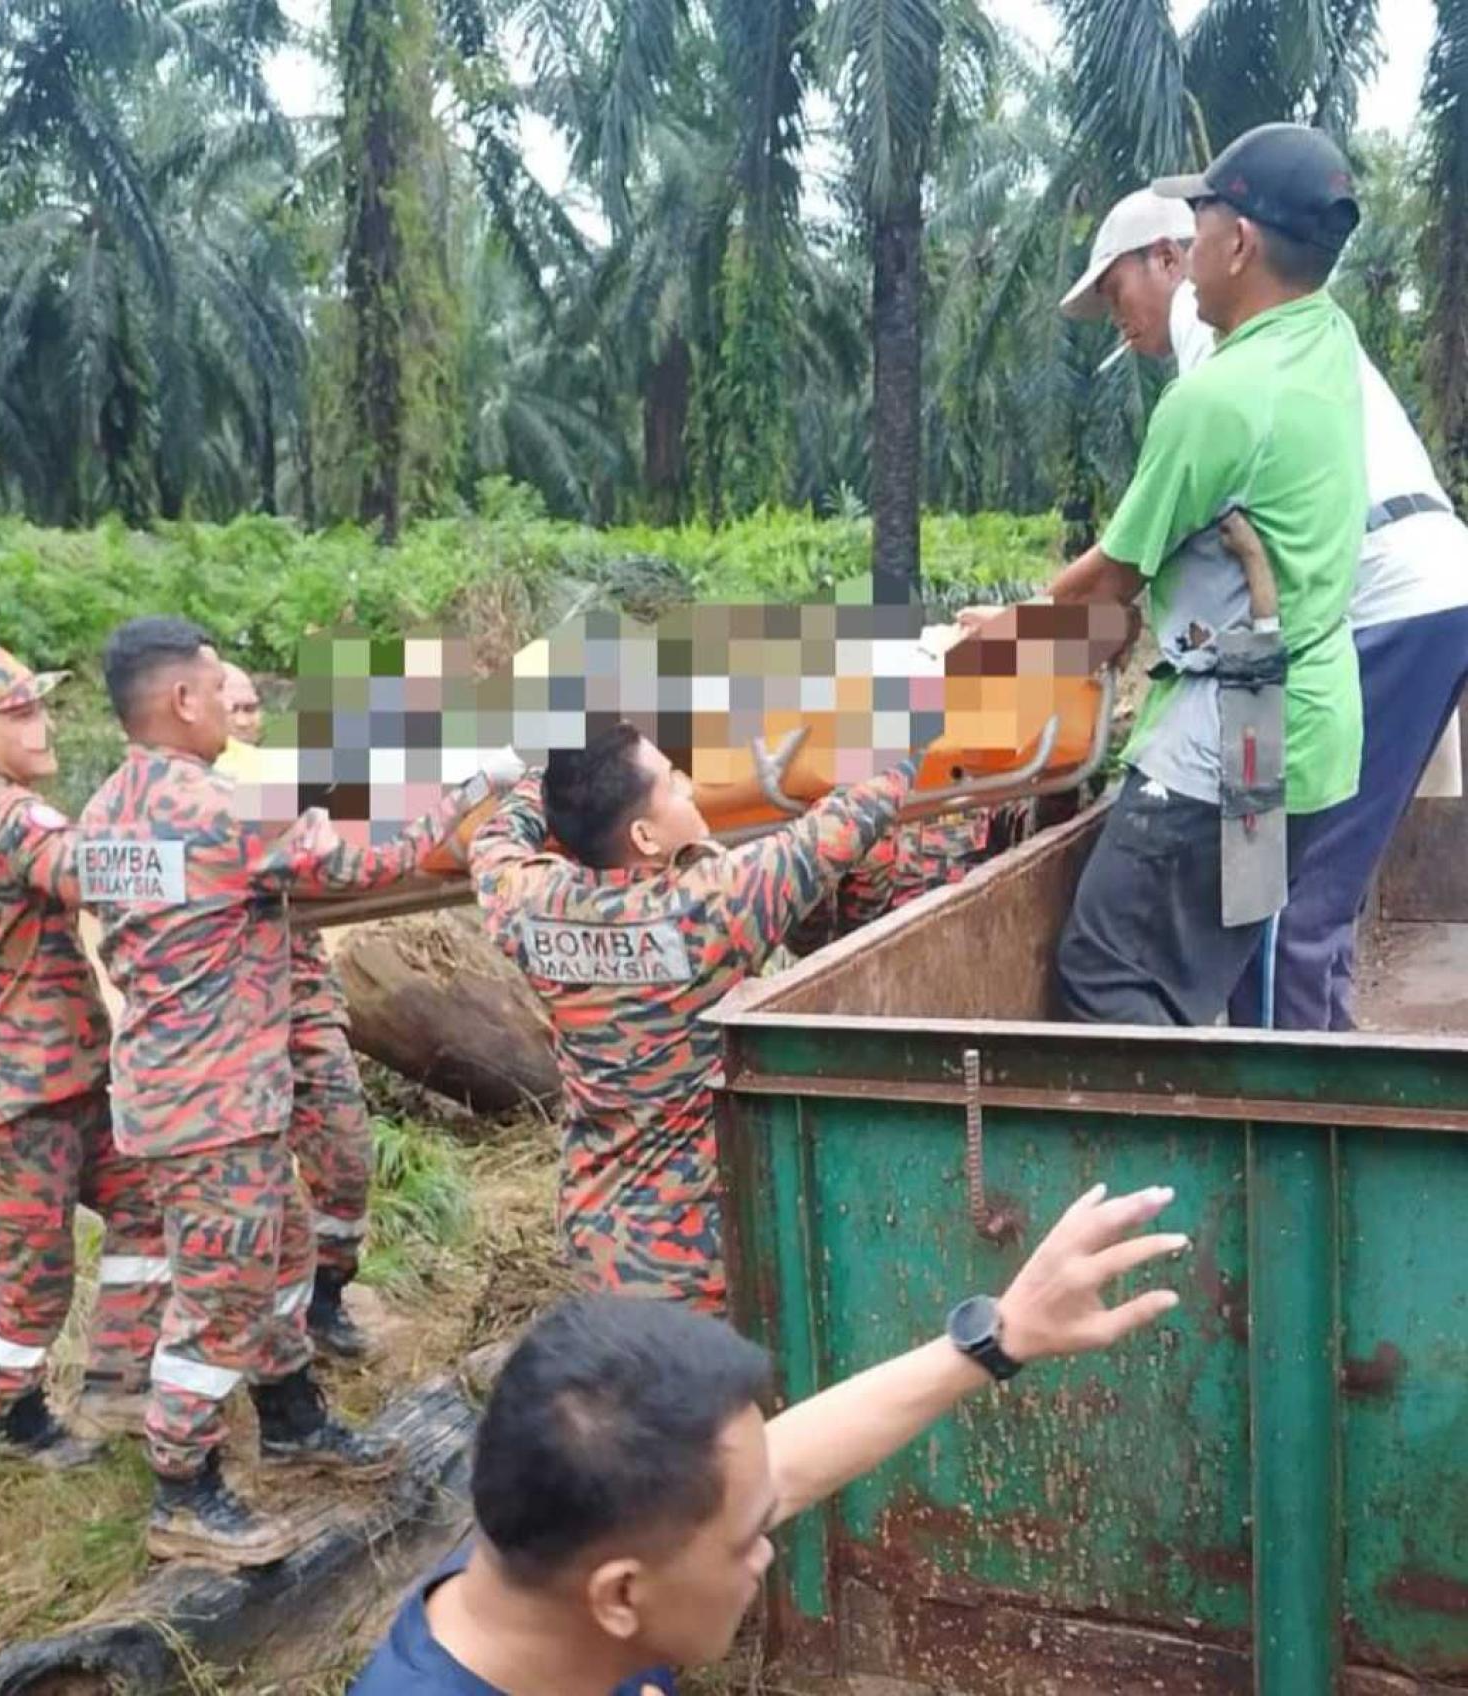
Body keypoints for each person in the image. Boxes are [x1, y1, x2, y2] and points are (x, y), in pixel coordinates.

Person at [349, 1180, 1187, 1695]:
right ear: (619, 1598)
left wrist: (1000, 1336)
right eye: (747, 1539)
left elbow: (780, 1465)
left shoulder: (530, 1575)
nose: (768, 1553)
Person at [79, 616, 521, 1567]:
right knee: (219, 1299)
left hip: (179, 1087)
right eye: (218, 693)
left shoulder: (109, 809)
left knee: (277, 1249)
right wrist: (477, 783)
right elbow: (371, 859)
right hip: (213, 1105)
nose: (236, 719)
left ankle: (292, 1420)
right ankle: (183, 1490)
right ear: (183, 701)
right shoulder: (214, 807)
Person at [985, 123, 1369, 1026]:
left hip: (1229, 744)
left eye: (1200, 225)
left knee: (1109, 973)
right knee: (1198, 969)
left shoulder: (1219, 400)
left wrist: (994, 639)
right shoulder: (1325, 340)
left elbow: (1112, 580)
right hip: (1293, 735)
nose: (1188, 249)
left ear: (1238, 244)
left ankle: (1169, 1171)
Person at [1062, 182, 1468, 1032]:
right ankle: (1313, 1093)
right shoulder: (1316, 331)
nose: (1117, 315)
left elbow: (1129, 570)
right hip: (1417, 590)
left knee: (1283, 912)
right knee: (1304, 899)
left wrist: (1017, 637)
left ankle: (1306, 1129)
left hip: (1364, 613)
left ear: (1178, 256)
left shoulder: (1225, 353)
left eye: (1115, 287)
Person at [470, 725, 915, 1314]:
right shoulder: (711, 909)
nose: (688, 786)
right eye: (673, 785)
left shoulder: (528, 902)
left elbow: (494, 838)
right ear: (645, 836)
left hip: (600, 1232)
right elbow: (854, 812)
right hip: (697, 1253)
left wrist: (552, 778)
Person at [0, 645, 168, 1469]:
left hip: (56, 1081)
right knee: (34, 1267)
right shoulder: (17, 818)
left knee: (146, 1205)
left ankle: (119, 1379)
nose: (42, 725)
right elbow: (103, 876)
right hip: (26, 1096)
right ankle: (14, 1423)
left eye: (39, 707)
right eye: (19, 714)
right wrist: (201, 844)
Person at [216, 660, 377, 1359]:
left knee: (345, 1155)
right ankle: (261, 1340)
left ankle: (327, 1298)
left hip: (302, 1000)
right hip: (224, 1019)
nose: (247, 722)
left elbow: (347, 840)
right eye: (235, 709)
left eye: (254, 708)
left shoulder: (273, 781)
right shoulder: (191, 796)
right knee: (253, 1194)